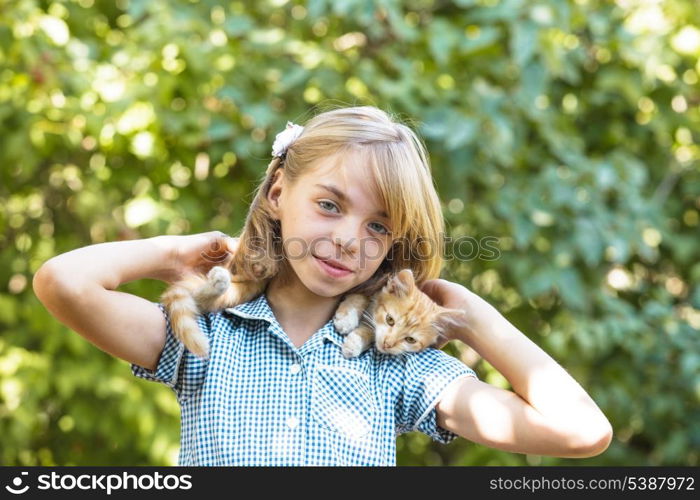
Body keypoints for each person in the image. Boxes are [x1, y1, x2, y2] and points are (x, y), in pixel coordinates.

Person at [32, 105, 612, 466]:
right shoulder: (207, 335)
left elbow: (581, 432)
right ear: (279, 192)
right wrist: (175, 251)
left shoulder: (398, 367)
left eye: (378, 225)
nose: (347, 239)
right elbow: (64, 282)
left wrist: (472, 317)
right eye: (330, 205)